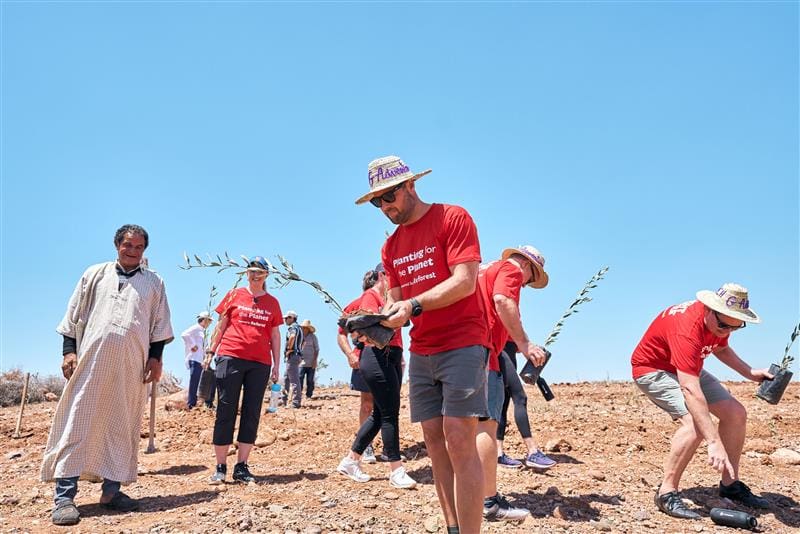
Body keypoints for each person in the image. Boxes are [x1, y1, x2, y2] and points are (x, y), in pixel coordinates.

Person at [357, 155, 489, 534]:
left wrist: (413, 304)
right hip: (422, 349)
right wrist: (376, 325)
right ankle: (451, 526)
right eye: (377, 202)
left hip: (463, 340)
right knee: (433, 440)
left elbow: (465, 281)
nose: (385, 207)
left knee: (459, 437)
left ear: (410, 186)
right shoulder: (391, 247)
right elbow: (394, 304)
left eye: (389, 197)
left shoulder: (453, 218)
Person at [42, 224, 173, 526]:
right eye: (128, 245)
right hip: (91, 362)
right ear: (117, 245)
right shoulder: (95, 274)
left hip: (132, 366)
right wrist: (68, 351)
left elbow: (158, 325)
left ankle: (111, 493)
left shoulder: (155, 283)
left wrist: (156, 358)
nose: (133, 251)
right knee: (78, 421)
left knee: (122, 423)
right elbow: (73, 316)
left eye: (139, 247)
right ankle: (64, 497)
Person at [631, 283, 773, 520]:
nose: (726, 330)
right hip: (652, 369)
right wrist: (713, 441)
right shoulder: (686, 328)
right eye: (724, 325)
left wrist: (750, 372)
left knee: (735, 413)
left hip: (683, 368)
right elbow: (690, 389)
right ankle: (666, 492)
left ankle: (730, 484)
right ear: (709, 309)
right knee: (695, 423)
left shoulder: (718, 322)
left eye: (735, 327)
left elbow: (721, 349)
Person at [475, 245, 551, 522]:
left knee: (463, 426)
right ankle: (489, 502)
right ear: (529, 268)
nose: (526, 284)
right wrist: (525, 343)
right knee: (486, 425)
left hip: (460, 350)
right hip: (483, 354)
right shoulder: (511, 270)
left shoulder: (482, 270)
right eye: (531, 279)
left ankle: (469, 495)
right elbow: (503, 301)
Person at [337, 264, 417, 489]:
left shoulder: (394, 298)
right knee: (389, 412)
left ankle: (351, 460)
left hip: (393, 353)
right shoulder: (370, 296)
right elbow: (363, 324)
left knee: (381, 413)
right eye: (393, 276)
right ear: (382, 276)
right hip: (376, 354)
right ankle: (396, 469)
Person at [205, 256, 282, 485]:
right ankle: (220, 467)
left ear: (267, 275)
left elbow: (276, 336)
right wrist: (211, 350)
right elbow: (221, 324)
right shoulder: (234, 295)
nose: (255, 275)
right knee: (225, 409)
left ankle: (242, 466)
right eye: (251, 271)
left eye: (259, 271)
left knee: (251, 412)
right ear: (246, 274)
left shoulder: (273, 303)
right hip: (231, 357)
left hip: (260, 363)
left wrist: (277, 365)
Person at [496, 340, 555, 471]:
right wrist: (526, 346)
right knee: (520, 397)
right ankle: (532, 451)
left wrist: (525, 347)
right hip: (501, 352)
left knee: (503, 402)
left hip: (509, 353)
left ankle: (498, 454)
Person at [337, 291, 377, 463]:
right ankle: (366, 445)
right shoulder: (355, 305)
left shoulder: (389, 301)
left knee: (387, 406)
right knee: (367, 403)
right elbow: (341, 333)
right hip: (363, 358)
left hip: (389, 359)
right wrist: (350, 354)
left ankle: (391, 448)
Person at [182, 311, 215, 409]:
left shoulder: (203, 331)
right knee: (195, 381)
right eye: (208, 320)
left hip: (201, 361)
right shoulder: (196, 328)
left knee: (210, 378)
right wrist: (193, 345)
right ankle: (191, 404)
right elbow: (184, 334)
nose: (209, 323)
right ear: (204, 320)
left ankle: (208, 403)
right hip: (195, 359)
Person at [281, 310, 304, 408]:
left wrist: (289, 349)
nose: (285, 320)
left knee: (294, 380)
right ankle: (283, 400)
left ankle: (295, 402)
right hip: (296, 355)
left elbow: (292, 337)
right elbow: (303, 342)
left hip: (292, 355)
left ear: (292, 318)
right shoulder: (300, 328)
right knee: (286, 377)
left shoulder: (293, 328)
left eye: (287, 318)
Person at [298, 319, 320, 399]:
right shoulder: (299, 337)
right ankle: (298, 395)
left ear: (308, 328)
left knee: (310, 380)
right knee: (300, 377)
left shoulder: (313, 337)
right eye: (303, 327)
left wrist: (315, 361)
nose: (303, 329)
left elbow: (317, 349)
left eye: (305, 328)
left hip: (311, 362)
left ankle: (309, 395)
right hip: (301, 362)